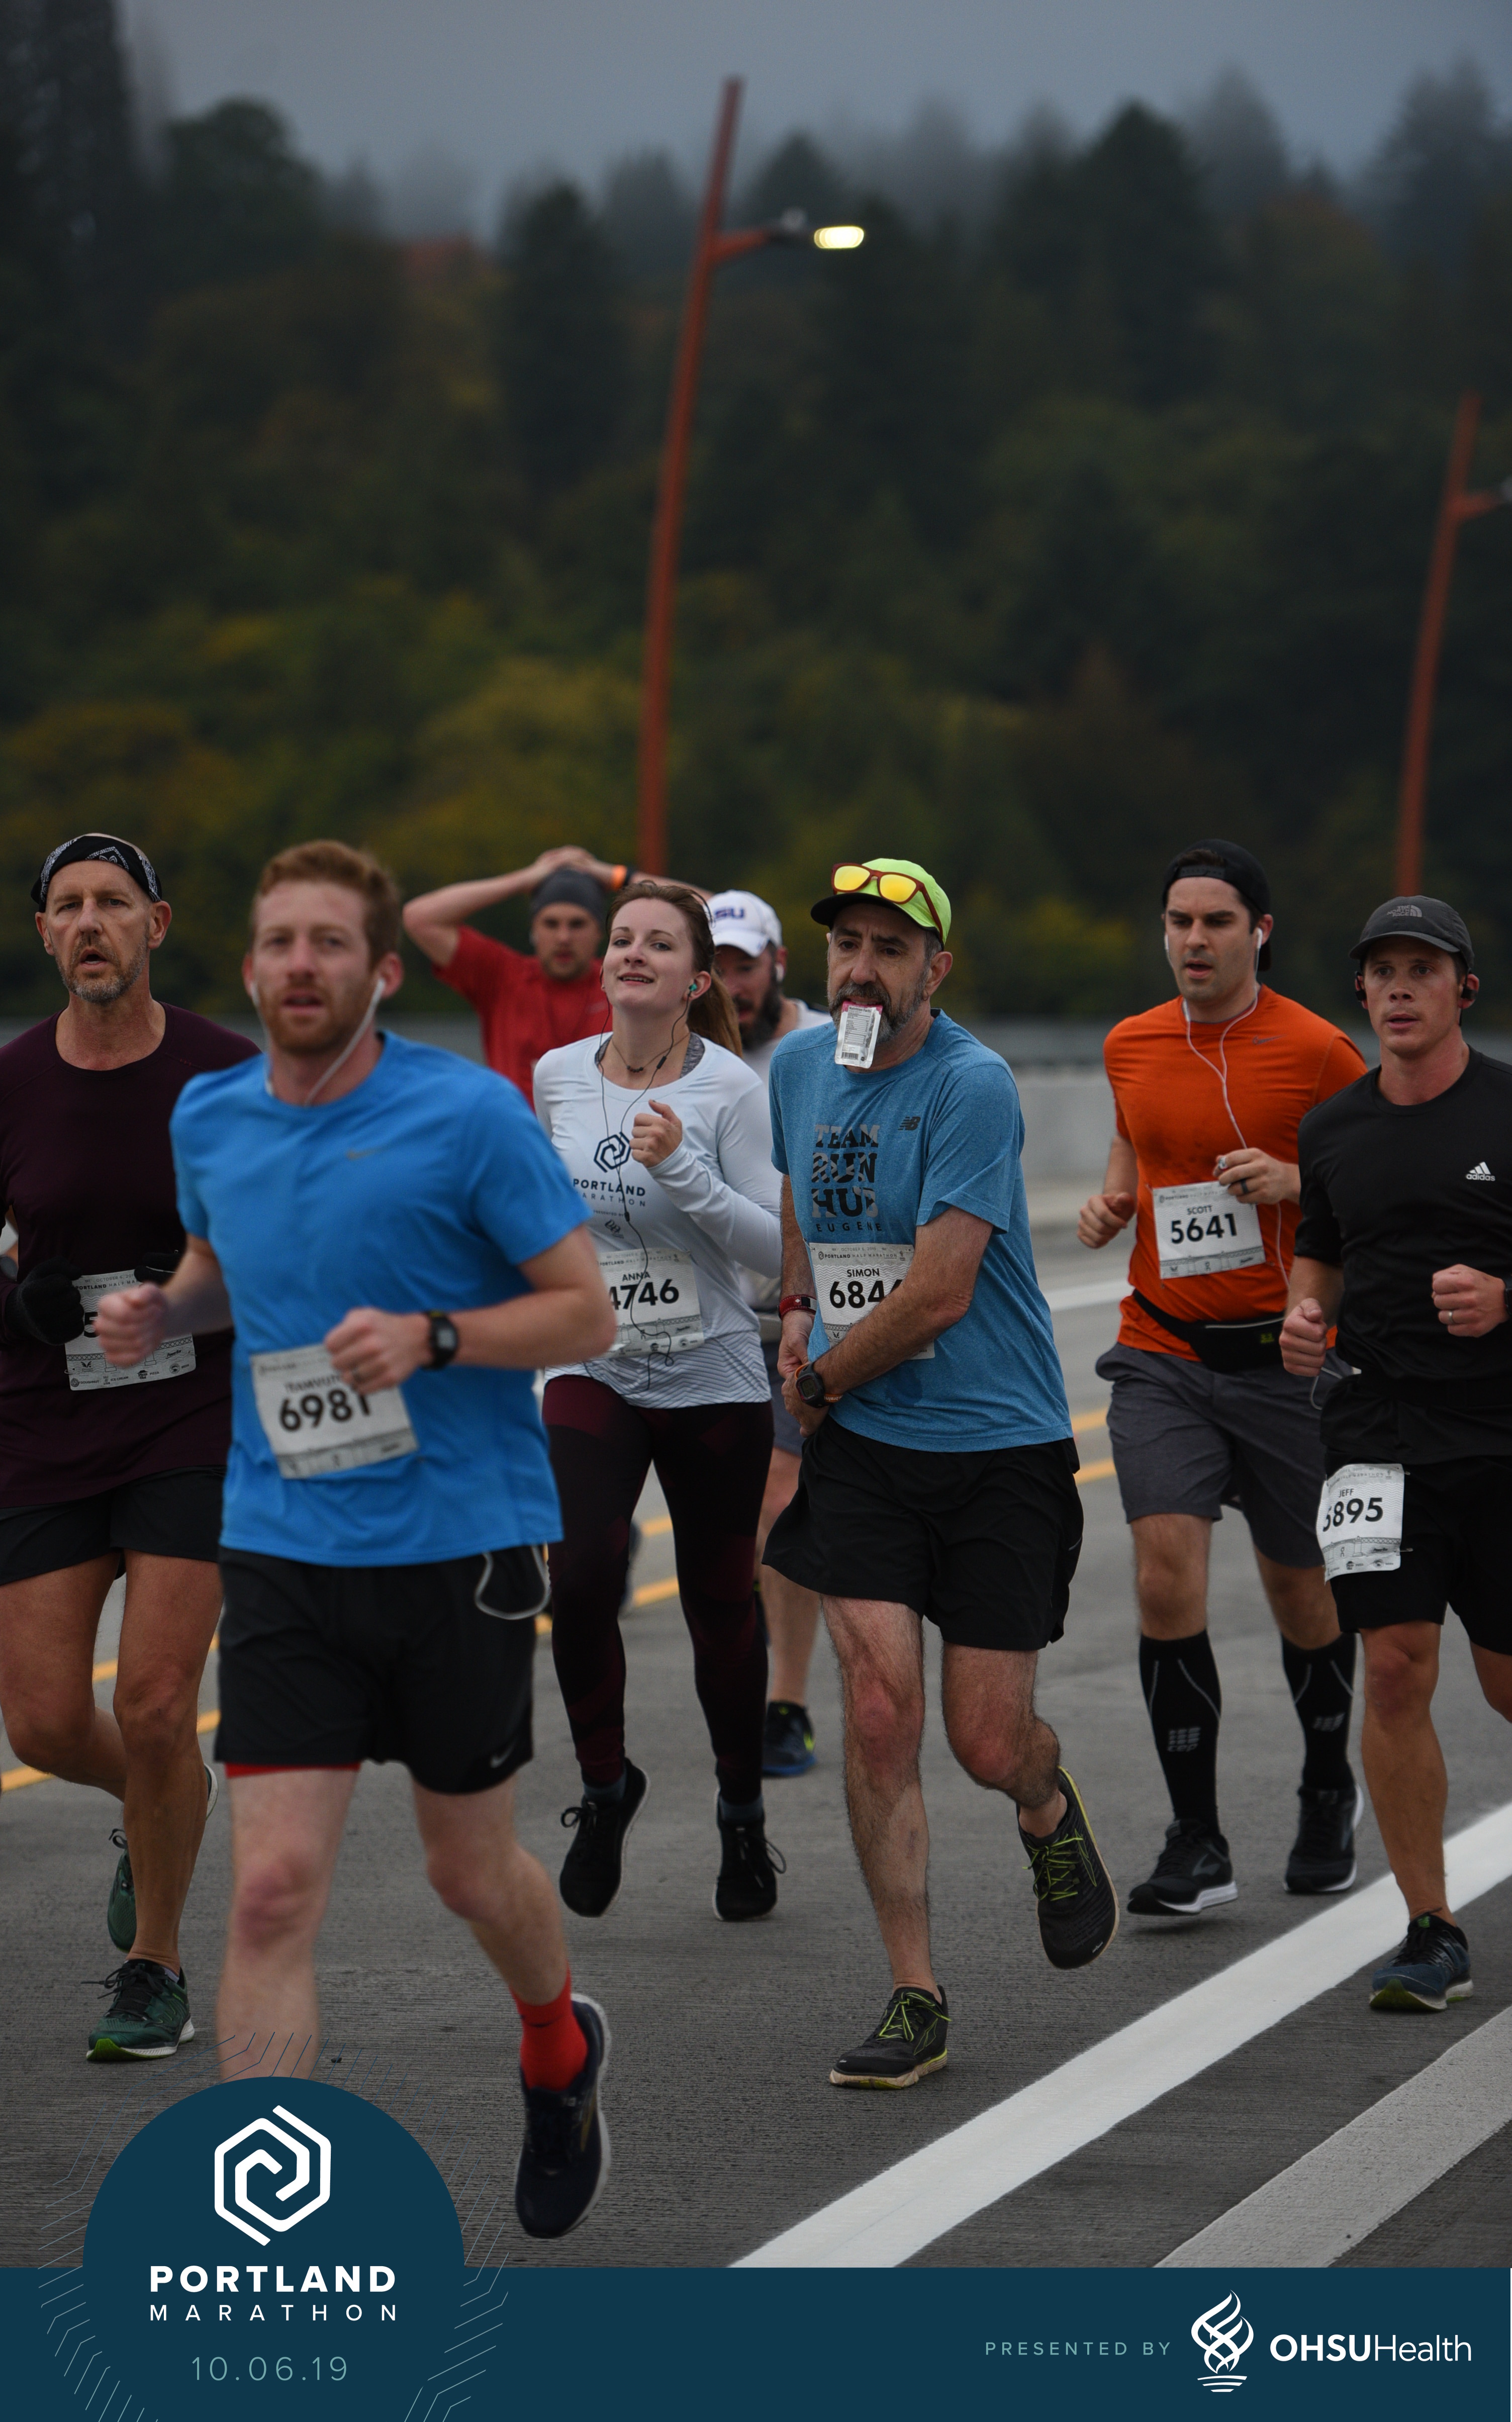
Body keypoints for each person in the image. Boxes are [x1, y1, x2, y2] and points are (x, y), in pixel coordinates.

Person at [94, 840, 619, 2239]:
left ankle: (557, 2045)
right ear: (248, 963)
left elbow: (584, 1312)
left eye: (330, 942)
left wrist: (436, 1336)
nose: (301, 965)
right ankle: (267, 2232)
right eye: (280, 941)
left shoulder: (469, 1115)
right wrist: (165, 1311)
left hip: (461, 1545)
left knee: (468, 1872)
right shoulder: (211, 1116)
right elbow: (223, 1270)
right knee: (270, 1891)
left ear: (383, 970)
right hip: (283, 1542)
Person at [765, 857, 1116, 2089]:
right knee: (876, 1714)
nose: (860, 968)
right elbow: (799, 1195)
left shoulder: (970, 1083)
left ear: (935, 968)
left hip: (994, 1445)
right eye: (845, 945)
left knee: (982, 1739)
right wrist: (795, 1305)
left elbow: (937, 1293)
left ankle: (1044, 1805)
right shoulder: (797, 1067)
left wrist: (814, 1384)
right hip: (866, 1446)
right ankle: (914, 1994)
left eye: (889, 948)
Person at [0, 832, 257, 2062]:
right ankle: (154, 1805)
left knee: (156, 1704)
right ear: (44, 934)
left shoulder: (225, 1074)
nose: (89, 923)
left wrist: (203, 1286)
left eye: (112, 902)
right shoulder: (12, 1081)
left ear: (156, 924)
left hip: (187, 1414)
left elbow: (299, 1240)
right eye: (68, 906)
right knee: (45, 1725)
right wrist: (19, 1303)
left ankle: (154, 1966)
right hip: (45, 1416)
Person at [1078, 841, 1367, 1919]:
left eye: (1215, 921)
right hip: (1162, 1348)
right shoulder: (1130, 1042)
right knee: (1164, 1575)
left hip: (1284, 1361)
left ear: (1259, 932)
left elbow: (1375, 1177)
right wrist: (1113, 1199)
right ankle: (1194, 1836)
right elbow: (1136, 1142)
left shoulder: (1317, 1050)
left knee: (1301, 1589)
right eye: (1178, 921)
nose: (1192, 940)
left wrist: (1295, 1178)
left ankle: (1326, 1786)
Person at [533, 882, 785, 1923]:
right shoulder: (556, 1074)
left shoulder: (730, 1088)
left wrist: (683, 1167)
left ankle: (741, 1812)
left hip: (712, 1370)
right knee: (579, 1578)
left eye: (659, 944)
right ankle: (604, 1789)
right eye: (622, 938)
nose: (633, 952)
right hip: (592, 1363)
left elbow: (774, 1252)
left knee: (718, 1605)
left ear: (694, 980)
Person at [1282, 895, 1512, 2013]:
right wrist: (1302, 1315)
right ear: (1361, 992)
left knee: (1506, 1683)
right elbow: (1320, 1256)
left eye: (1422, 969)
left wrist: (1506, 1296)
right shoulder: (1330, 1129)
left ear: (1462, 988)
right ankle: (1430, 1926)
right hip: (1373, 1433)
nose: (1399, 989)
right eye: (1382, 972)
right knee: (1392, 1665)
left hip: (1502, 1433)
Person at [707, 888, 831, 1780]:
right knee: (729, 1518)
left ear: (777, 964)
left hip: (801, 1316)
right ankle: (745, 1661)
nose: (729, 983)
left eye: (743, 965)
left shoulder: (820, 1046)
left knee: (779, 1499)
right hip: (704, 1317)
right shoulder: (680, 1055)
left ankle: (786, 1702)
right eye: (713, 966)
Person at [401, 846, 626, 1107]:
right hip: (517, 1129)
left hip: (600, 1130)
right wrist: (524, 880)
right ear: (534, 929)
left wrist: (615, 877)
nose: (564, 938)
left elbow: (674, 906)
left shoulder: (622, 981)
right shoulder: (503, 977)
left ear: (600, 931)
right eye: (551, 924)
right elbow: (419, 918)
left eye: (577, 924)